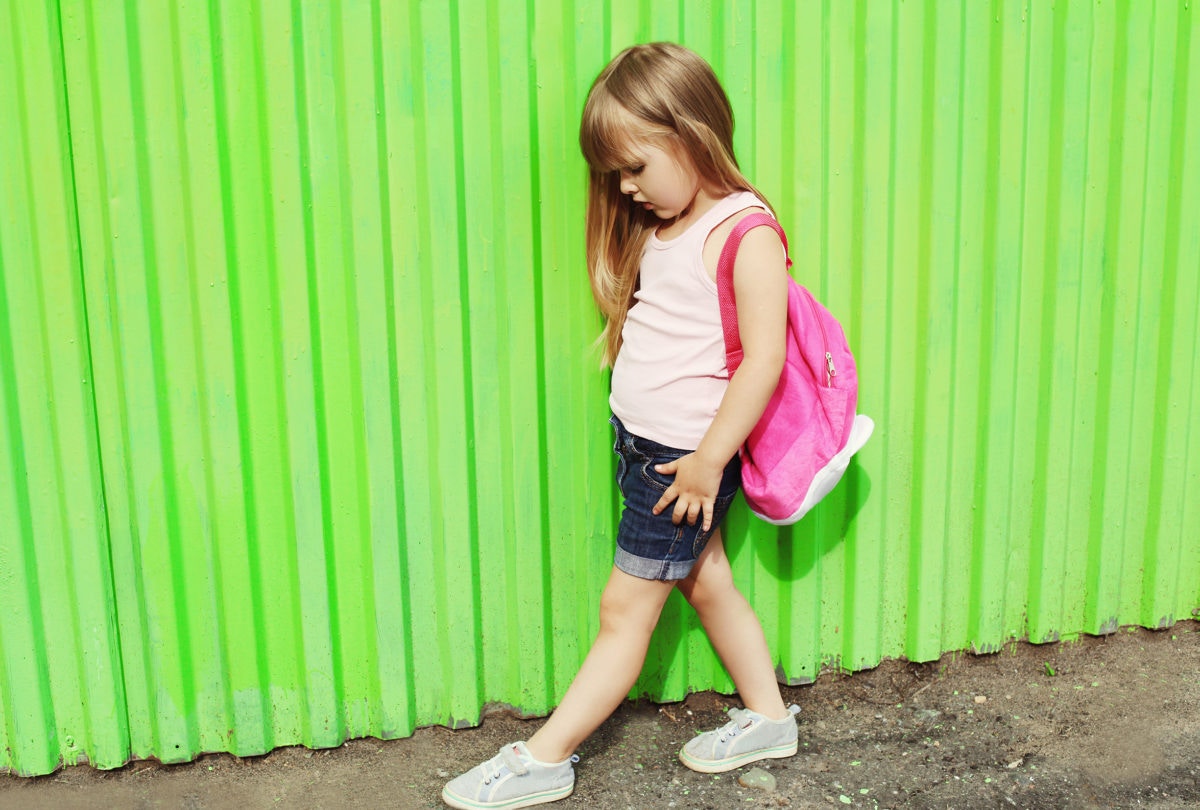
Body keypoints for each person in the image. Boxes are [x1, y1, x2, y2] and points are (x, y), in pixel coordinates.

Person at [443, 42, 799, 809]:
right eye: (617, 176)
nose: (627, 188)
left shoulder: (745, 230)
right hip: (649, 451)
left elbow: (763, 361)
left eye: (636, 167)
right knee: (706, 581)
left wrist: (707, 460)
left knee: (623, 612)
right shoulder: (673, 226)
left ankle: (545, 758)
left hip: (681, 463)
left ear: (692, 134)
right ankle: (770, 717)